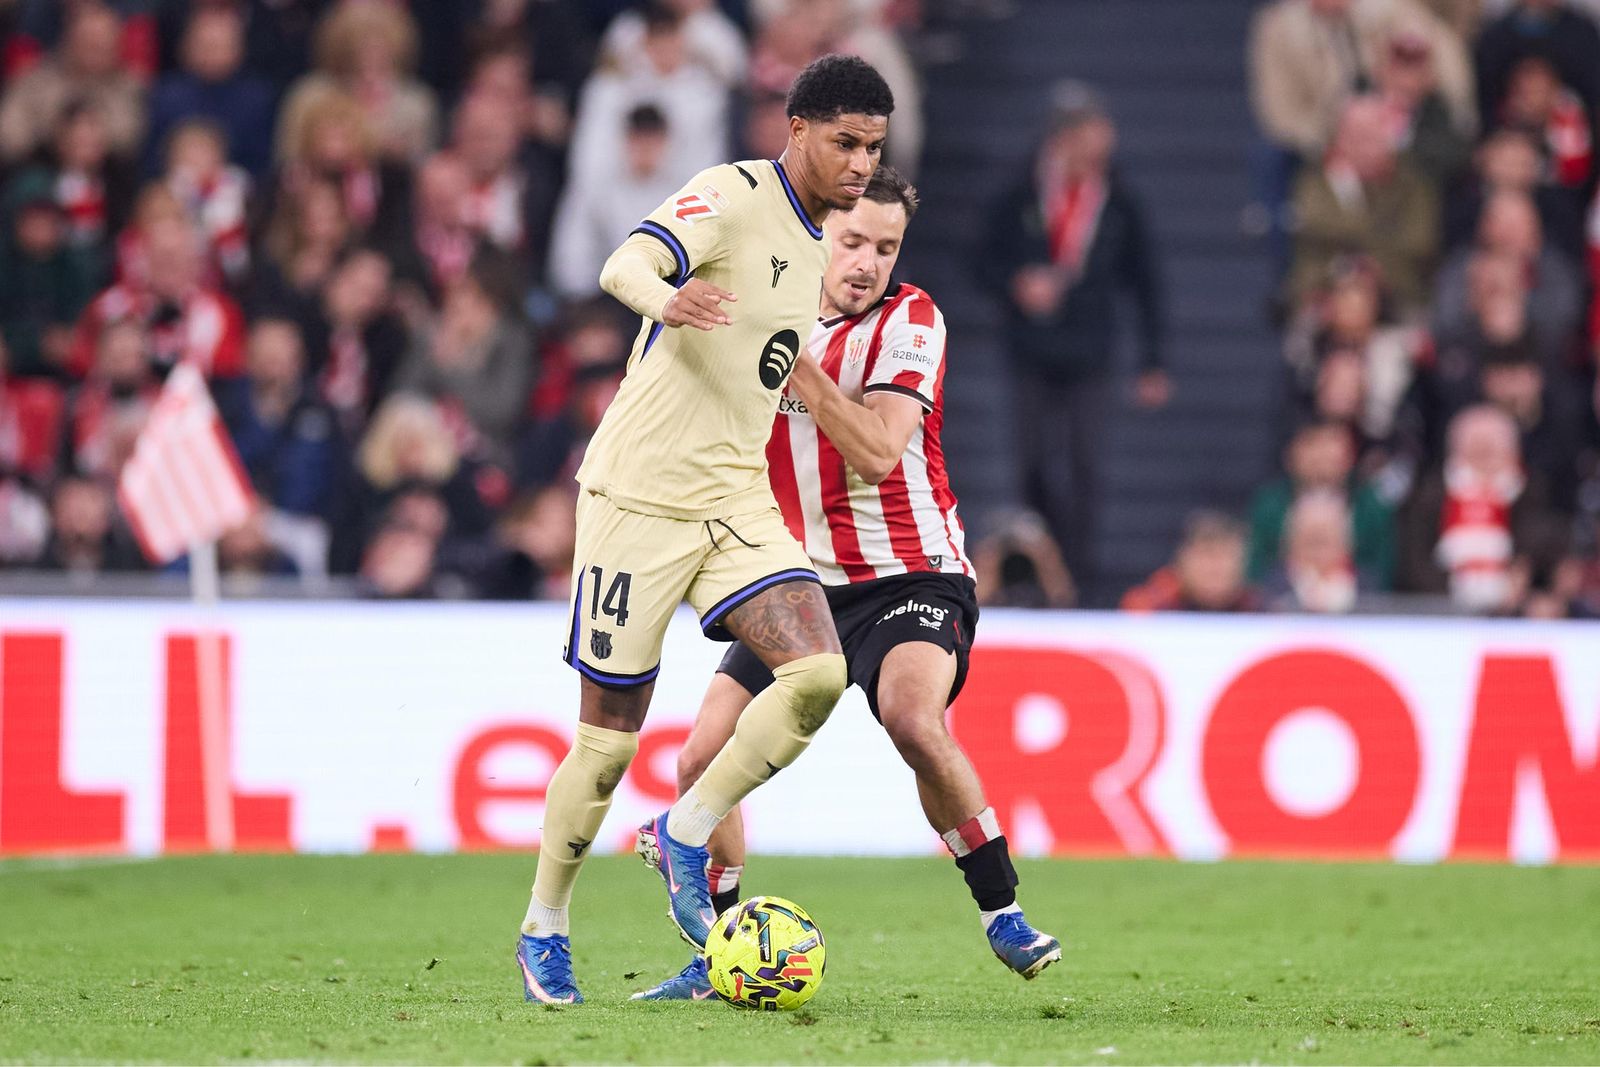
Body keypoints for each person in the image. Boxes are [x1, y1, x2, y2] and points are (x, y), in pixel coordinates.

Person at [515, 54, 894, 1006]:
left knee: (818, 674)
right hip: (637, 497)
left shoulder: (816, 245)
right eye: (845, 142)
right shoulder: (729, 193)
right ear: (796, 129)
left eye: (874, 148)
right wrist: (665, 298)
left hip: (734, 498)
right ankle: (544, 925)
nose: (859, 163)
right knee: (604, 748)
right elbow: (622, 263)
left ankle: (687, 826)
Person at [631, 165, 1060, 1003]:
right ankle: (719, 951)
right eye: (854, 240)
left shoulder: (912, 319)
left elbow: (875, 451)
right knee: (697, 758)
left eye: (886, 247)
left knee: (909, 713)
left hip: (913, 571)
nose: (867, 261)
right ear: (819, 231)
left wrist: (796, 365)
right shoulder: (763, 300)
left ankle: (1001, 910)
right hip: (799, 581)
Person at [984, 81, 1169, 595]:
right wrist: (1017, 283)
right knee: (1033, 459)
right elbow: (981, 259)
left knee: (1086, 464)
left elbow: (1145, 281)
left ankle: (1078, 575)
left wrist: (1154, 360)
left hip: (1091, 352)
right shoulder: (1021, 191)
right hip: (1031, 351)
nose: (1104, 139)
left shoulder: (1117, 199)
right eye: (1092, 129)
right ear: (1063, 137)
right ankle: (1038, 568)